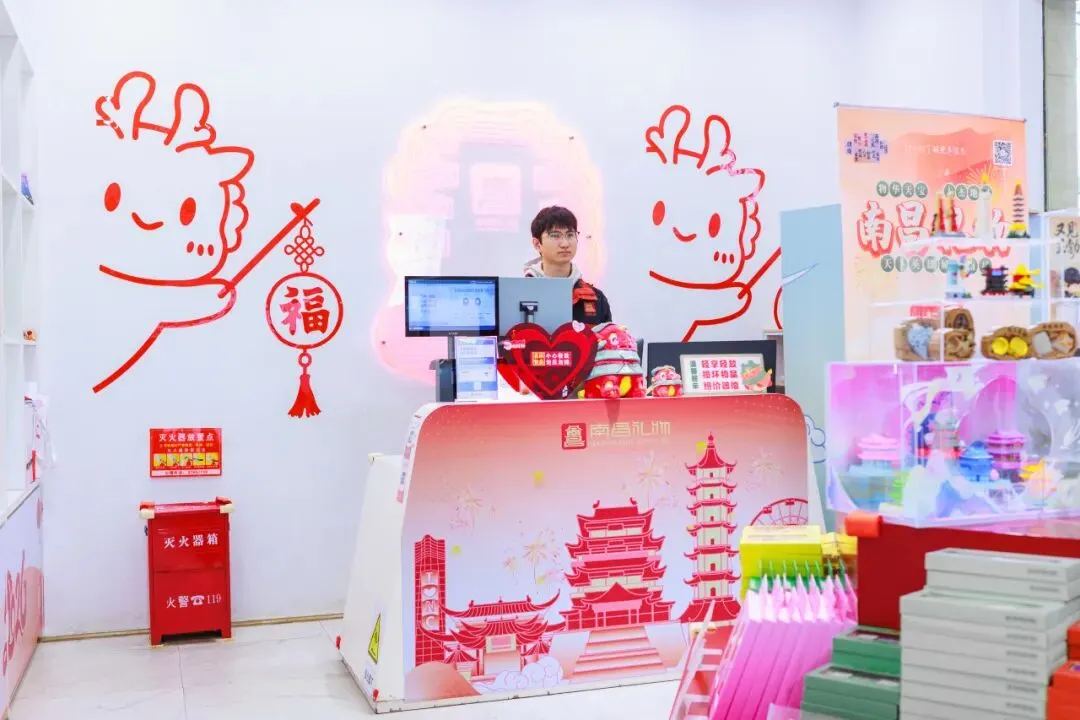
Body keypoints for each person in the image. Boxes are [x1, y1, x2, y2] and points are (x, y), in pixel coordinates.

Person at [523, 206, 612, 325]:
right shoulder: (521, 294)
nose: (565, 244)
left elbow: (608, 336)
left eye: (570, 235)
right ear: (537, 244)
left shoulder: (596, 298)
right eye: (555, 235)